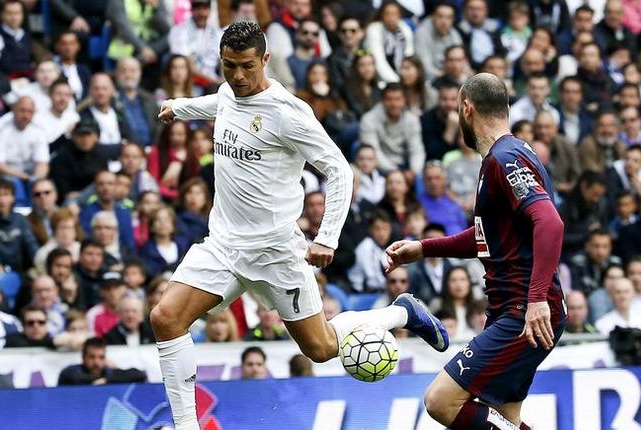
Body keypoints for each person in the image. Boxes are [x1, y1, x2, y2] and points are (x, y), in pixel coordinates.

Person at [154, 22, 448, 430]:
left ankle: (399, 315)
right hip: (222, 246)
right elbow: (219, 103)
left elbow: (339, 170)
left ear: (266, 60)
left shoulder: (289, 114)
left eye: (246, 67)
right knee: (165, 318)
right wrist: (180, 106)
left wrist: (326, 236)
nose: (237, 76)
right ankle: (187, 426)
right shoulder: (227, 91)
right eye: (228, 66)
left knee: (322, 348)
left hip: (276, 253)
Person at [385, 73, 565, 430]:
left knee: (440, 400)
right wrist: (423, 248)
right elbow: (487, 237)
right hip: (511, 309)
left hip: (522, 311)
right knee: (504, 418)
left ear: (466, 109)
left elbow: (550, 223)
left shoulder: (505, 158)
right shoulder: (507, 156)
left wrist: (536, 299)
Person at [359, 83, 425, 176]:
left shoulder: (412, 120)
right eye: (389, 99)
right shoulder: (368, 119)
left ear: (404, 100)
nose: (394, 104)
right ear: (382, 100)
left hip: (405, 165)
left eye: (398, 99)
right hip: (379, 167)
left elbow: (416, 149)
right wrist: (395, 172)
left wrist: (414, 171)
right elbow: (373, 152)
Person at [167, 0, 223, 86]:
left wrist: (224, 81)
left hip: (214, 81)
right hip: (190, 82)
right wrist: (214, 81)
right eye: (198, 8)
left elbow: (223, 60)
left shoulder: (217, 32)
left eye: (205, 8)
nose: (201, 13)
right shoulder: (179, 31)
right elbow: (187, 65)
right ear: (192, 9)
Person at [58, 337, 147, 385]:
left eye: (101, 357)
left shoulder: (108, 373)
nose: (96, 362)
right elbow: (75, 378)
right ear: (83, 357)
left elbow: (140, 375)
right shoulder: (71, 372)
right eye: (92, 357)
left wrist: (107, 380)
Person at [414, 2, 463, 81]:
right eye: (440, 16)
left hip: (450, 77)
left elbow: (462, 61)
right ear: (433, 17)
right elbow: (425, 68)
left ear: (453, 19)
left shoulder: (454, 34)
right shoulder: (422, 33)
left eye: (448, 17)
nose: (444, 22)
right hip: (430, 80)